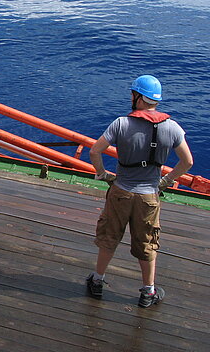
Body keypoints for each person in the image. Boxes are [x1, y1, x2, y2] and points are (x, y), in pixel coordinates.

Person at [86, 75, 193, 308]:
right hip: (149, 197)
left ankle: (97, 280)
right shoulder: (172, 128)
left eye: (133, 94)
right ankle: (148, 291)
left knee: (109, 237)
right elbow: (187, 162)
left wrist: (103, 174)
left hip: (120, 192)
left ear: (139, 97)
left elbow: (95, 151)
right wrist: (166, 181)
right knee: (147, 243)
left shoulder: (121, 124)